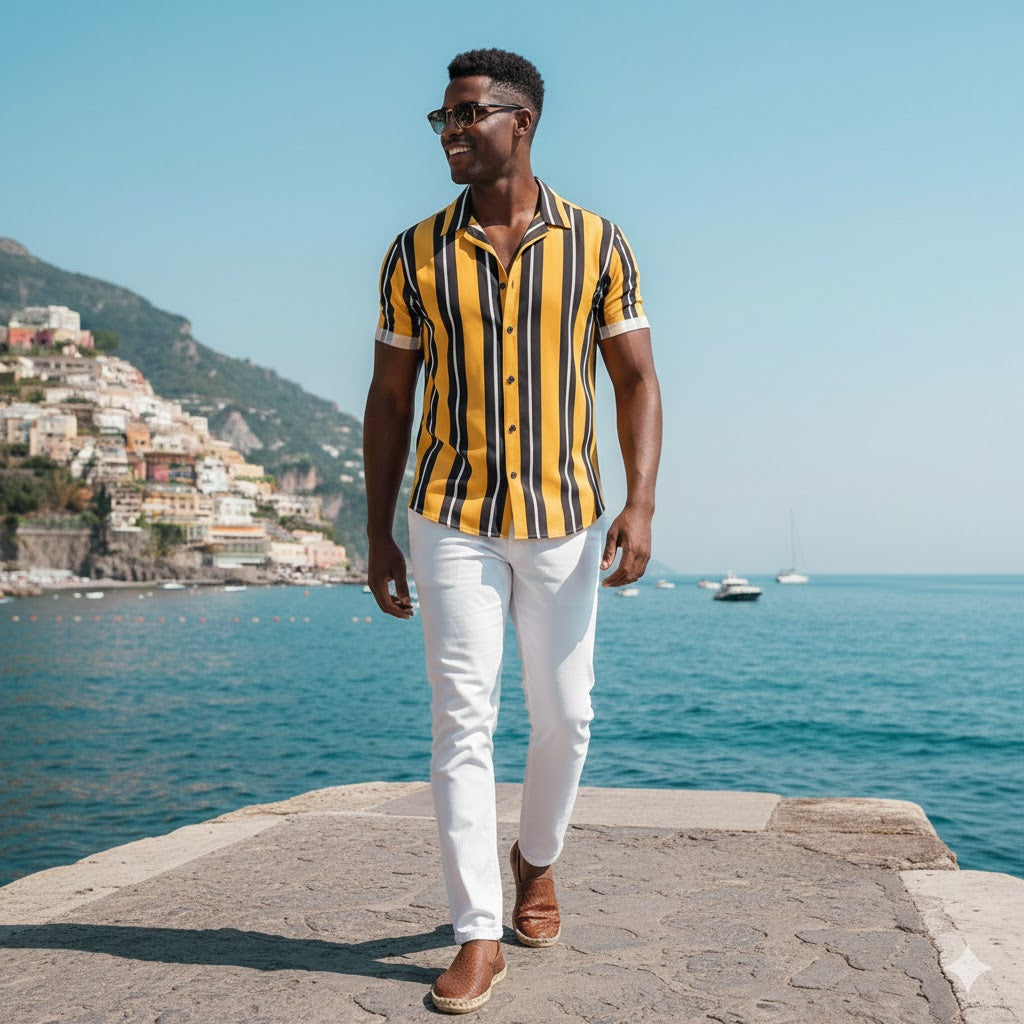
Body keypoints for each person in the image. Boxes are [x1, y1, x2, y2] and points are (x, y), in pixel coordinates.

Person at [363, 48, 662, 1014]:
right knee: (462, 719)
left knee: (567, 716)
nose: (449, 131)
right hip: (450, 513)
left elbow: (635, 380)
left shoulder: (600, 243)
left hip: (565, 518)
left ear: (519, 122)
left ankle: (537, 858)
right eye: (442, 118)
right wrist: (378, 532)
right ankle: (477, 933)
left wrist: (641, 503)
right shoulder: (412, 253)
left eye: (466, 115)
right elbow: (389, 398)